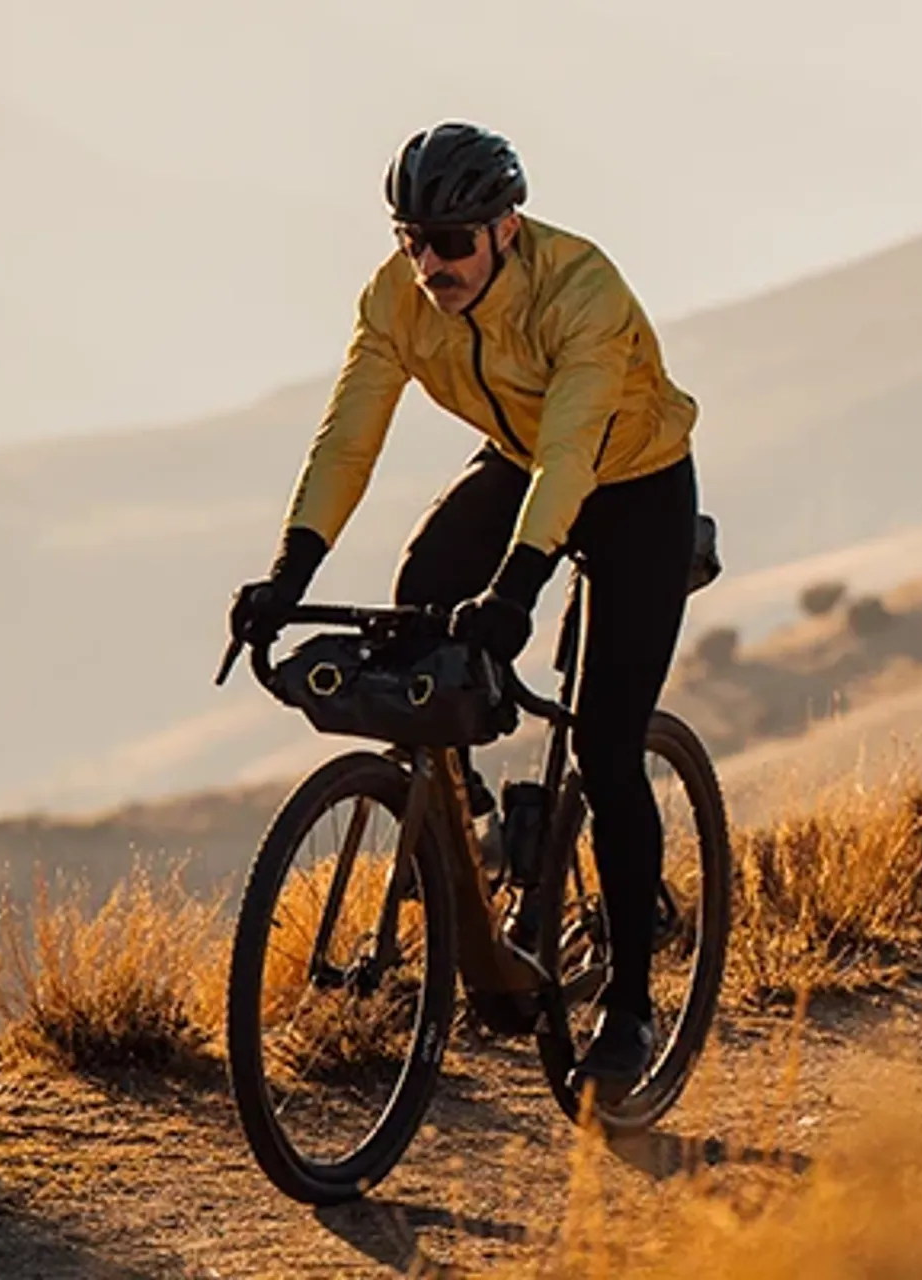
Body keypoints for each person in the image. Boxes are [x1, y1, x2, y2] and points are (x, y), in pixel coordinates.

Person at [228, 121, 703, 1101]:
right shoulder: (397, 298)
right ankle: (477, 822)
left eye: (451, 242)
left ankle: (630, 1009)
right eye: (412, 240)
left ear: (505, 228)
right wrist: (288, 569)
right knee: (417, 598)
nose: (430, 263)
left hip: (633, 484)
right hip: (521, 460)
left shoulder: (583, 290)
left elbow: (575, 451)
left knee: (608, 746)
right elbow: (347, 439)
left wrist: (518, 587)